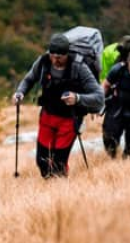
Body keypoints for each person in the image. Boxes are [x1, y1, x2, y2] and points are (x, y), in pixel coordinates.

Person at [13, 33, 104, 177]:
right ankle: (49, 187)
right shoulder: (43, 62)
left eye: (59, 57)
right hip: (47, 116)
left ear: (67, 54)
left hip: (69, 120)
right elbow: (29, 79)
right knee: (42, 161)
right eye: (52, 55)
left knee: (58, 163)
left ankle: (60, 191)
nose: (55, 59)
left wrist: (78, 98)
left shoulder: (79, 67)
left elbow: (99, 97)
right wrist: (20, 93)